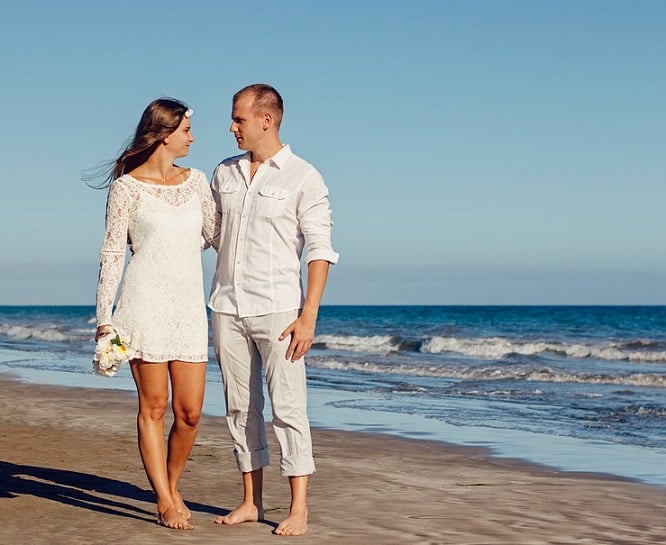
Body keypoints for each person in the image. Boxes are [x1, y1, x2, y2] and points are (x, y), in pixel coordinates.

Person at [209, 83, 339, 536]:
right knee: (239, 408)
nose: (231, 127)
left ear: (266, 119)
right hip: (226, 306)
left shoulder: (305, 176)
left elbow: (320, 250)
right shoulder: (223, 173)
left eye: (238, 119)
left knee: (288, 408)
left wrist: (309, 315)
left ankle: (298, 507)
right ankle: (251, 501)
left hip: (281, 311)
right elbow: (210, 233)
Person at [93, 98, 218, 530]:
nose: (192, 137)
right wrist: (104, 319)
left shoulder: (197, 181)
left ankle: (170, 482)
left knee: (190, 413)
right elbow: (112, 252)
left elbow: (214, 236)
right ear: (165, 134)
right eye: (186, 129)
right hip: (142, 305)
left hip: (187, 308)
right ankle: (165, 499)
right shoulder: (126, 187)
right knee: (154, 406)